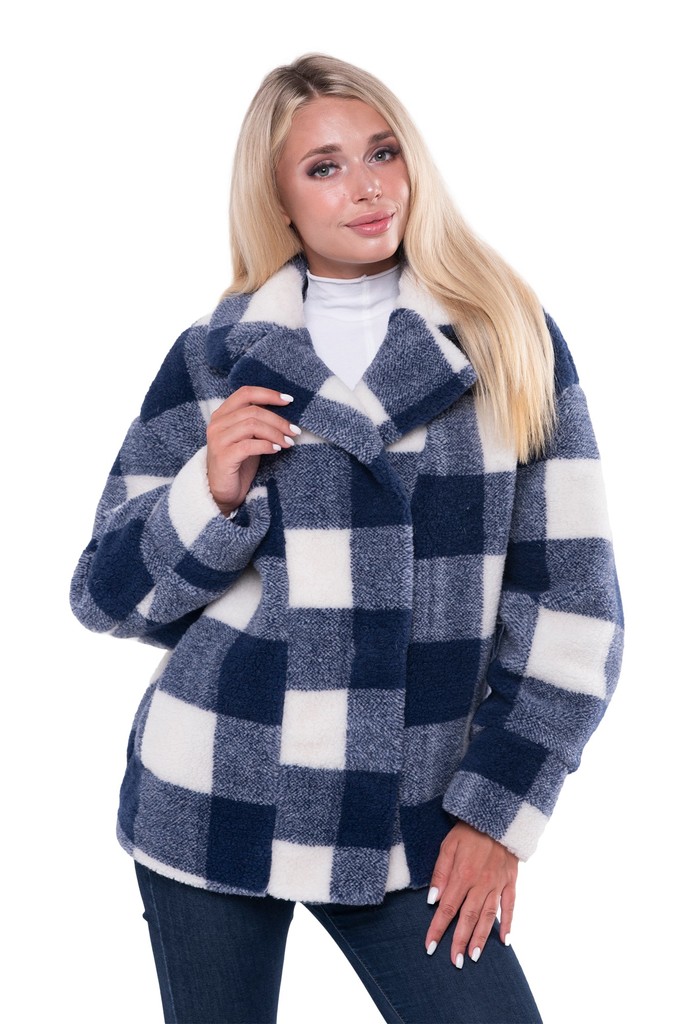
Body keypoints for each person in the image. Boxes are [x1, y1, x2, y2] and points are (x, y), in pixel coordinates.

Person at [70, 53, 623, 1024]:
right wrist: (210, 490)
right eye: (323, 167)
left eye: (382, 153)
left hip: (412, 814)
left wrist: (497, 813)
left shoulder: (506, 337)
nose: (366, 187)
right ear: (278, 199)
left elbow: (574, 611)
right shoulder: (216, 355)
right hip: (214, 791)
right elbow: (105, 598)